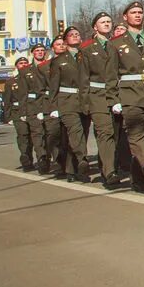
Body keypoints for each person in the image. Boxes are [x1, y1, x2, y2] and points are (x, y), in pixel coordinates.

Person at [109, 1, 144, 192]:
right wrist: (114, 99)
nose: (138, 15)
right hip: (129, 94)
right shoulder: (116, 43)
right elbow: (111, 74)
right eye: (133, 12)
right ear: (125, 17)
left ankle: (139, 179)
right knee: (136, 134)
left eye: (140, 12)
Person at [82, 12, 124, 187]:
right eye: (102, 22)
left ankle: (105, 165)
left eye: (108, 21)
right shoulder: (87, 49)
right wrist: (84, 103)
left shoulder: (114, 46)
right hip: (96, 96)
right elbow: (83, 78)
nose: (106, 24)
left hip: (114, 95)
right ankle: (110, 171)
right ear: (95, 27)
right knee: (105, 132)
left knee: (113, 134)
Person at [49, 30, 90, 182]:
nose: (75, 36)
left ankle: (73, 170)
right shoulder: (59, 60)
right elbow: (54, 86)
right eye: (71, 34)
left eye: (78, 34)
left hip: (85, 99)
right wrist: (53, 107)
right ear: (65, 41)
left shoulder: (86, 55)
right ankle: (82, 159)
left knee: (80, 135)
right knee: (75, 132)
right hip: (66, 101)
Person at [1, 57, 35, 170]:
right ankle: (25, 157)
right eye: (21, 63)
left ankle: (35, 158)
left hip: (32, 110)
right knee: (23, 134)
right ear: (17, 66)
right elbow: (7, 100)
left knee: (34, 136)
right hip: (17, 112)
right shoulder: (11, 82)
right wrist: (8, 116)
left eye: (26, 63)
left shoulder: (33, 78)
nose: (24, 65)